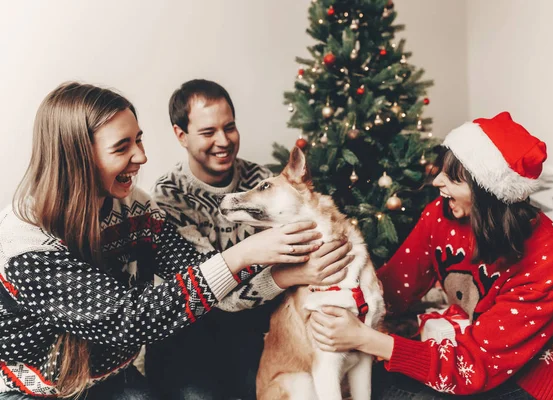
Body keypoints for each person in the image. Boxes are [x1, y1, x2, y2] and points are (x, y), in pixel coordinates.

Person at [0, 82, 332, 399]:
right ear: (77, 158)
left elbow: (208, 282)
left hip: (110, 375)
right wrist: (242, 255)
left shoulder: (138, 208)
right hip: (33, 390)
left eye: (138, 141)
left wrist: (276, 267)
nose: (142, 157)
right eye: (122, 147)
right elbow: (128, 320)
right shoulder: (26, 244)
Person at [309, 112, 553, 399]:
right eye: (441, 170)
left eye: (453, 178)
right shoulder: (440, 216)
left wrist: (366, 339)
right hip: (471, 347)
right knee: (376, 382)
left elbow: (474, 367)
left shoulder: (551, 260)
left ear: (486, 192)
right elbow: (392, 288)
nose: (437, 182)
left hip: (533, 375)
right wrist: (338, 307)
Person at [146, 79, 352, 399]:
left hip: (252, 325)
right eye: (208, 132)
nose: (223, 141)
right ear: (180, 135)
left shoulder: (261, 181)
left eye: (229, 127)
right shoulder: (170, 197)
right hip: (191, 333)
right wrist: (291, 275)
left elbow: (305, 246)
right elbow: (209, 290)